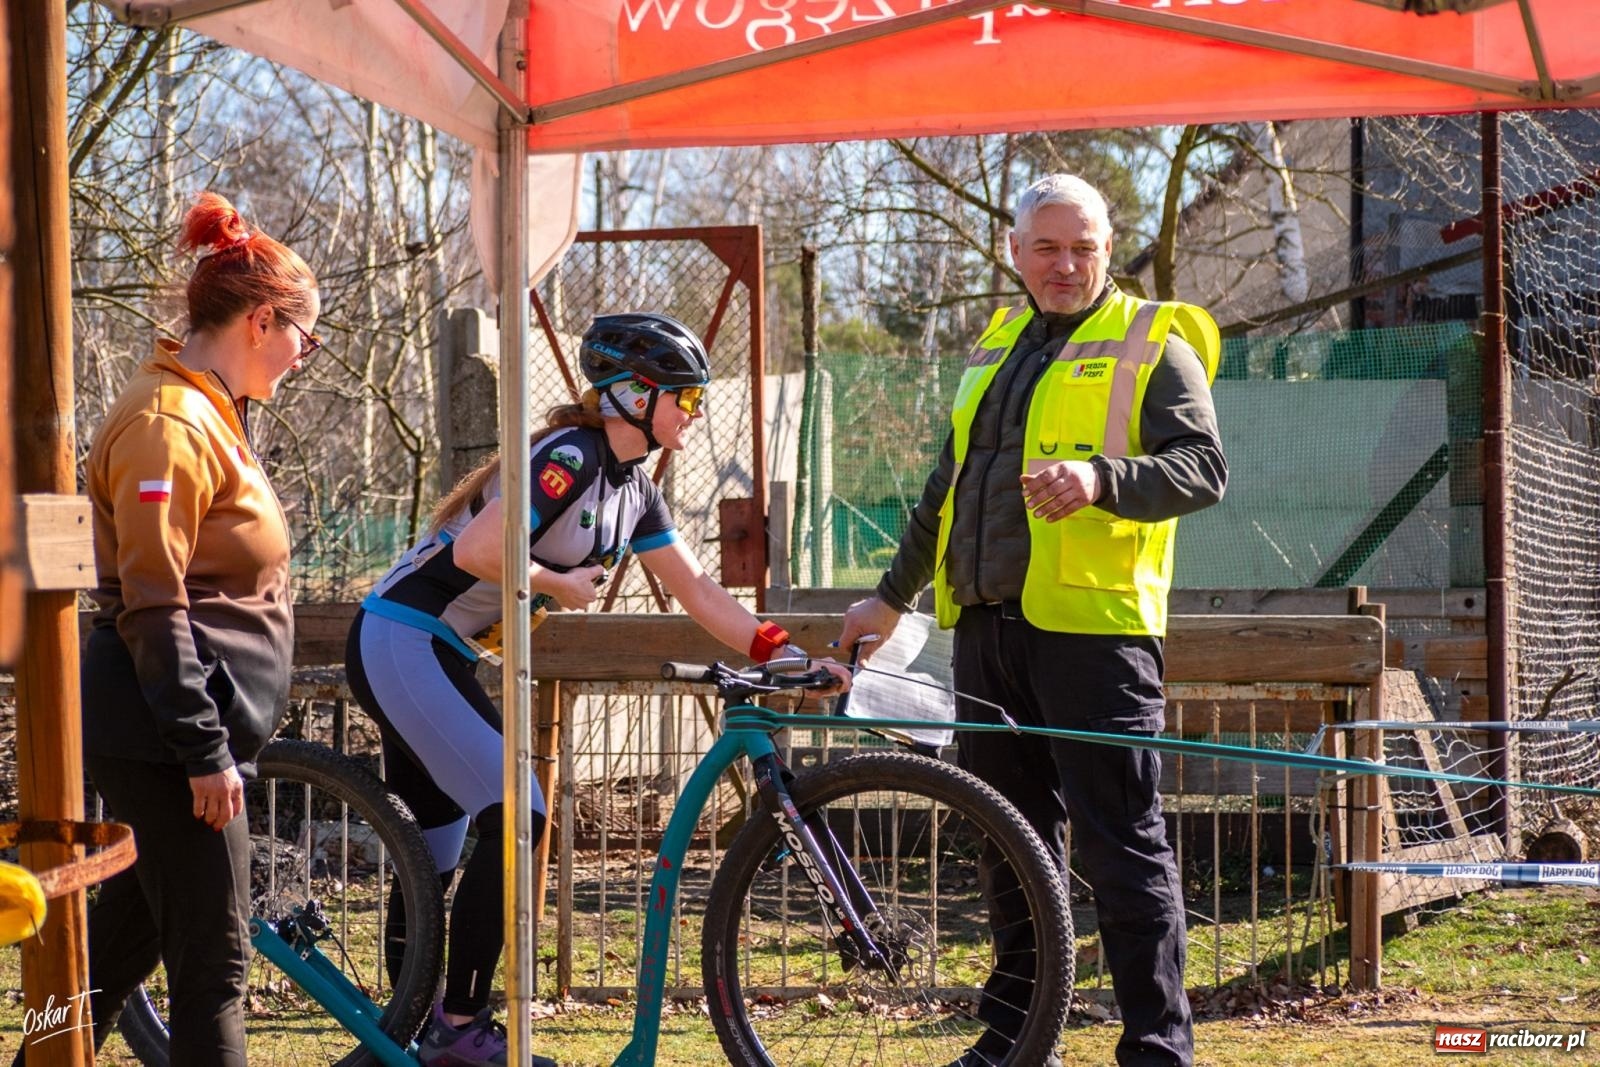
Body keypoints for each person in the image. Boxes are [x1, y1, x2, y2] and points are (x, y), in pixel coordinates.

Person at [346, 311, 848, 1067]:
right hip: (400, 634)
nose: (694, 412)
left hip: (437, 650)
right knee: (519, 811)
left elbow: (697, 589)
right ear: (634, 396)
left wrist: (778, 650)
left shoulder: (637, 489)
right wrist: (558, 583)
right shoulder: (570, 455)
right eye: (688, 397)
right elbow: (481, 548)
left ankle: (404, 1028)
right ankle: (457, 1023)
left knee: (438, 849)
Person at [837, 173, 1226, 1067]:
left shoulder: (1152, 342)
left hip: (1096, 637)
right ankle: (1017, 1038)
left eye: (1084, 247)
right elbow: (949, 485)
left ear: (1106, 248)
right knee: (1009, 841)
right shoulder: (997, 345)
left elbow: (1204, 467)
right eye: (1047, 247)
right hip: (985, 629)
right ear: (1013, 253)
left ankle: (1158, 1047)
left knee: (1121, 843)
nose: (1065, 264)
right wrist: (889, 597)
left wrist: (1100, 479)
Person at [70, 192, 320, 1064]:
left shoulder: (208, 407)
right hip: (167, 740)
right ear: (262, 320)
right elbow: (152, 603)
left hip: (175, 733)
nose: (303, 356)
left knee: (111, 961)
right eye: (304, 336)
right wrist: (203, 749)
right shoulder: (167, 423)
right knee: (214, 965)